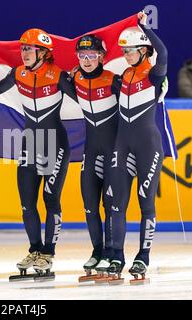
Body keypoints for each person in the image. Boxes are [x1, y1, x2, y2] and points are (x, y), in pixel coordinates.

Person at [0, 28, 77, 281]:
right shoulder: (18, 73)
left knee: (50, 200)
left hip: (55, 143)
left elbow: (85, 98)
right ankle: (35, 250)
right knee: (26, 203)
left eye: (29, 49)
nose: (24, 53)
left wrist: (83, 77)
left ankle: (48, 252)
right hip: (30, 145)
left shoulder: (57, 75)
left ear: (44, 53)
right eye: (22, 48)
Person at [108, 10, 168, 284]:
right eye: (124, 50)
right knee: (116, 204)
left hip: (148, 145)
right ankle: (117, 256)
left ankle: (143, 257)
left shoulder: (155, 75)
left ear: (144, 50)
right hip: (123, 144)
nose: (126, 55)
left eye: (131, 50)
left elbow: (164, 53)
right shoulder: (121, 78)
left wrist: (144, 28)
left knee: (146, 203)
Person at [71, 35, 121, 281]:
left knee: (111, 206)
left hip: (113, 150)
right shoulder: (76, 79)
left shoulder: (113, 80)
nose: (87, 60)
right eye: (82, 56)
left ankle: (112, 252)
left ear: (102, 56)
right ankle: (97, 250)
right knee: (90, 205)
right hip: (90, 151)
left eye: (92, 55)